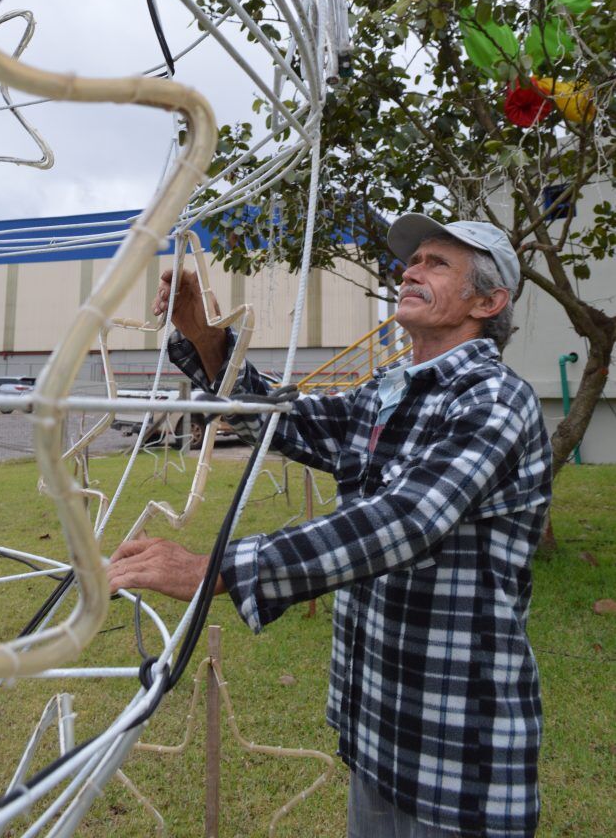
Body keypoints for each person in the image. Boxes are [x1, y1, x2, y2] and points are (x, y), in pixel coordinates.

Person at [108, 214, 553, 838]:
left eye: (436, 264)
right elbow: (285, 419)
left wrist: (216, 571)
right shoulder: (390, 392)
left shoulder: (495, 399)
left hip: (459, 744)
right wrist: (205, 338)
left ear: (488, 301)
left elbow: (405, 521)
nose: (411, 270)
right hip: (378, 725)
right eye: (413, 259)